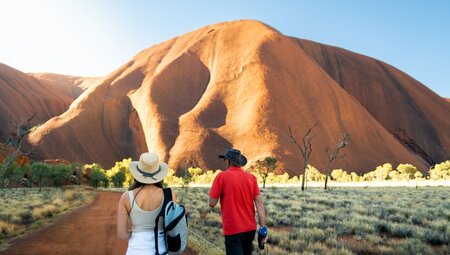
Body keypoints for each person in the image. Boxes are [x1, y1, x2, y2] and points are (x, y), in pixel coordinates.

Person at [209, 148, 268, 255]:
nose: (224, 162)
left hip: (233, 230)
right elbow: (259, 204)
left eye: (225, 160)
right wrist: (263, 229)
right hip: (250, 230)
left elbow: (212, 203)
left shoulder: (221, 176)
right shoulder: (251, 178)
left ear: (228, 161)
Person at [117, 152, 175, 255]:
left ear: (137, 173)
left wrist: (136, 234)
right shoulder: (169, 194)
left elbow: (122, 234)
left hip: (135, 251)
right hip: (161, 251)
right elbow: (173, 226)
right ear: (158, 174)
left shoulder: (126, 197)